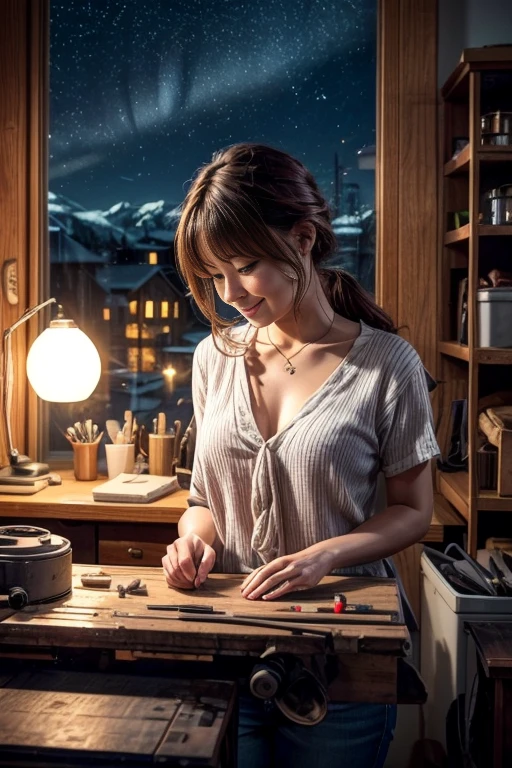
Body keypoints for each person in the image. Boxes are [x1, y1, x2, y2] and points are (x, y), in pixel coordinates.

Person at [162, 143, 439, 768]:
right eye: (213, 275)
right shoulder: (214, 358)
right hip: (229, 647)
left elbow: (413, 513)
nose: (229, 291)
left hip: (341, 655)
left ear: (304, 239)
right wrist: (194, 541)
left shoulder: (387, 363)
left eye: (245, 265)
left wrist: (322, 556)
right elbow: (205, 499)